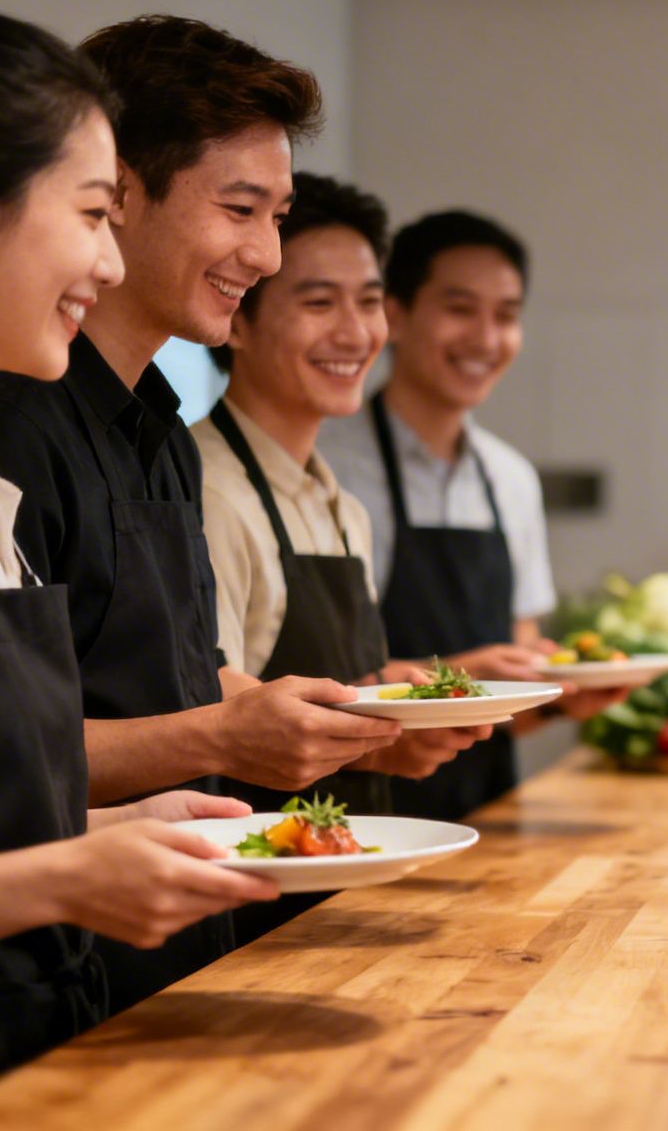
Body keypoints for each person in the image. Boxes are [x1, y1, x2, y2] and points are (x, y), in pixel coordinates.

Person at [0, 11, 274, 1127]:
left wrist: (105, 833)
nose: (106, 256)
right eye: (91, 214)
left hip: (37, 1062)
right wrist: (67, 872)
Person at [0, 15, 408, 1012]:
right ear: (116, 195)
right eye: (240, 209)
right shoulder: (7, 425)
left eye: (276, 213)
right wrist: (222, 733)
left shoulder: (163, 428)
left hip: (194, 941)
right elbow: (7, 752)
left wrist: (323, 714)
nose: (265, 251)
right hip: (68, 966)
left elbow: (181, 666)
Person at [196, 173, 488, 935]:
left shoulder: (339, 503)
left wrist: (385, 735)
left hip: (342, 898)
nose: (356, 334)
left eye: (368, 301)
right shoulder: (206, 489)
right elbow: (210, 726)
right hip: (248, 912)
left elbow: (314, 708)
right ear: (239, 318)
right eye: (319, 302)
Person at [323, 211, 621, 822]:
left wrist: (565, 699)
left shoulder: (510, 478)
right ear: (396, 315)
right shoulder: (330, 466)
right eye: (461, 308)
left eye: (506, 316)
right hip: (361, 815)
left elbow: (516, 683)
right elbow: (309, 687)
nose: (486, 339)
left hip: (486, 816)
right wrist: (456, 679)